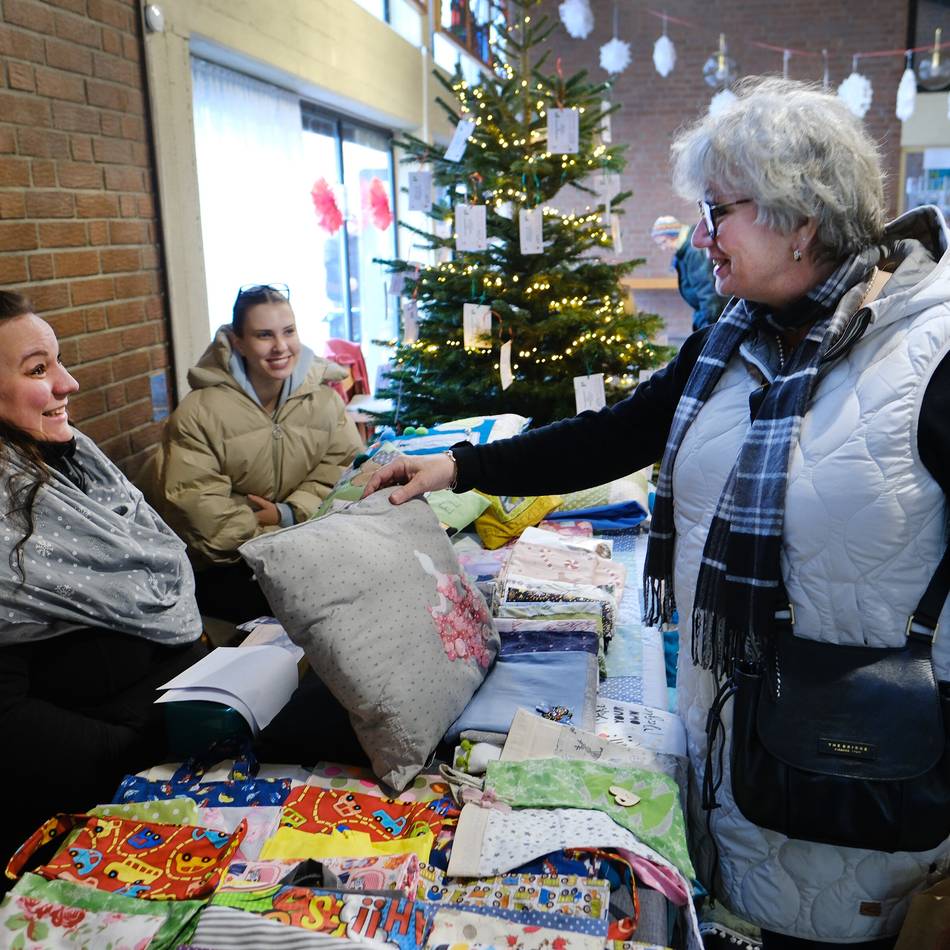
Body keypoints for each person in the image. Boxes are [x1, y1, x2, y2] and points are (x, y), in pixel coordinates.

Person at [363, 78, 950, 948]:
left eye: (721, 211)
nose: (703, 237)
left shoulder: (931, 352)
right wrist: (456, 465)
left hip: (863, 770)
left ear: (802, 218)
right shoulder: (734, 338)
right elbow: (614, 435)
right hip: (733, 746)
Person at [0, 291, 206, 875]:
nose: (68, 384)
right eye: (39, 369)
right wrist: (146, 747)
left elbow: (159, 566)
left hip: (180, 737)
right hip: (86, 810)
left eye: (59, 361)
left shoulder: (69, 455)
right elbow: (10, 725)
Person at [140, 284, 364, 623]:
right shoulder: (199, 414)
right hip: (226, 566)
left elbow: (345, 471)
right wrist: (284, 536)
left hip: (301, 542)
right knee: (321, 604)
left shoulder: (323, 401)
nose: (280, 347)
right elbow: (205, 521)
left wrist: (287, 513)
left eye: (288, 331)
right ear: (238, 343)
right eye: (263, 335)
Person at [651, 213, 728, 330]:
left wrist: (709, 327)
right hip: (705, 313)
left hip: (711, 316)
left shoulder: (693, 252)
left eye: (663, 242)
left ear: (673, 235)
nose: (663, 248)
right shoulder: (685, 251)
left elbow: (707, 290)